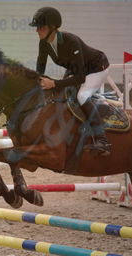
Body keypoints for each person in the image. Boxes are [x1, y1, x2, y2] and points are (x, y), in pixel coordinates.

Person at [29, 6, 111, 156]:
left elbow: (80, 77)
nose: (37, 30)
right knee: (63, 92)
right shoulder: (44, 43)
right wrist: (35, 80)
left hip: (97, 67)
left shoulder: (71, 41)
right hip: (77, 69)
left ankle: (102, 140)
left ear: (52, 28)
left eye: (40, 27)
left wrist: (54, 83)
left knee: (81, 96)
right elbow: (40, 67)